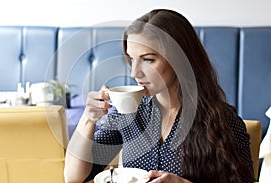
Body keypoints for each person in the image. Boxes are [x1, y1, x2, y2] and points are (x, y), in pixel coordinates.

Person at [64, 9, 254, 183]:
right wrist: (88, 119)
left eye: (148, 59)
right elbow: (73, 177)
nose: (135, 73)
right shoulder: (129, 112)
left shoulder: (223, 119)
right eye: (132, 59)